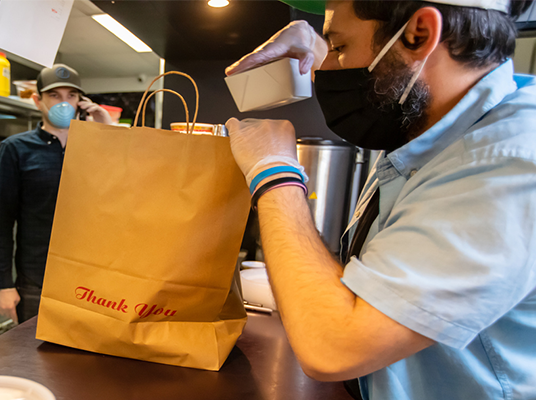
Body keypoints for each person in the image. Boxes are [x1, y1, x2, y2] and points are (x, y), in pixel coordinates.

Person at [224, 1, 536, 399]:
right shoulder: (438, 127)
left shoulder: (508, 164)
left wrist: (274, 173)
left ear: (418, 33)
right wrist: (321, 46)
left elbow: (334, 347)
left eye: (340, 49)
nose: (327, 69)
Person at [0, 64, 113, 324]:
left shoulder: (96, 146)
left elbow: (120, 196)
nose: (64, 103)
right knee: (35, 361)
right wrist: (3, 285)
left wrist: (107, 131)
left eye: (71, 96)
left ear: (81, 102)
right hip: (37, 280)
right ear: (38, 101)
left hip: (92, 279)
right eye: (55, 95)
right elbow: (0, 221)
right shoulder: (16, 149)